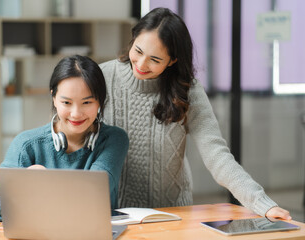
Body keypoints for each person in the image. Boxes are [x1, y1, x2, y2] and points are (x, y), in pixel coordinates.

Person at [99, 7, 291, 220]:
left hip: (171, 213)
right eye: (138, 51)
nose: (142, 64)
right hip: (114, 211)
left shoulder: (187, 90)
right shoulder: (104, 77)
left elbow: (216, 154)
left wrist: (260, 203)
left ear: (172, 60)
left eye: (155, 59)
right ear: (133, 39)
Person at [0, 55, 129, 221]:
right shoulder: (26, 144)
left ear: (100, 101)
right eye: (66, 103)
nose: (76, 114)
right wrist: (24, 186)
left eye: (87, 103)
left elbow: (93, 195)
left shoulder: (114, 139)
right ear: (54, 97)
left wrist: (40, 187)